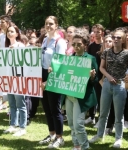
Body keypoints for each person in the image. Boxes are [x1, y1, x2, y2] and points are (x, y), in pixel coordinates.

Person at [89, 29, 128, 148]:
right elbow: (101, 68)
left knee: (118, 114)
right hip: (107, 84)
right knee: (103, 113)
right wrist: (109, 77)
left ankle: (118, 139)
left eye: (118, 38)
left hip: (120, 86)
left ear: (122, 40)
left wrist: (126, 79)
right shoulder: (106, 51)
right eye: (114, 37)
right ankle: (99, 135)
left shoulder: (127, 53)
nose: (115, 39)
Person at [60, 28, 97, 150]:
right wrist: (54, 71)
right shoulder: (69, 58)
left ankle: (85, 147)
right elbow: (63, 76)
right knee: (71, 123)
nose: (76, 46)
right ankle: (76, 146)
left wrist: (92, 77)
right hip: (69, 95)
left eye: (79, 44)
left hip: (81, 97)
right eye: (74, 44)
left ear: (85, 44)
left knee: (78, 124)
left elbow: (96, 81)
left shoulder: (90, 59)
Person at [39, 16, 67, 149]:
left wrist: (48, 81)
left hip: (54, 75)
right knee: (46, 108)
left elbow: (60, 63)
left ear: (56, 25)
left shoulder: (60, 42)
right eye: (46, 24)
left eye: (51, 24)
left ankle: (59, 137)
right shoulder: (45, 39)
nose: (48, 26)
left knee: (55, 109)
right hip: (43, 74)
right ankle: (51, 134)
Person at [3, 25, 27, 137]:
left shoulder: (20, 45)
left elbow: (24, 61)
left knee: (20, 104)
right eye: (8, 31)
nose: (9, 33)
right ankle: (13, 125)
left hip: (19, 79)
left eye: (12, 31)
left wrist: (15, 51)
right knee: (11, 103)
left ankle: (23, 127)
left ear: (17, 34)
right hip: (9, 78)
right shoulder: (6, 46)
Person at [86, 24, 104, 126]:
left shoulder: (104, 45)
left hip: (102, 76)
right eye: (95, 32)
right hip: (92, 75)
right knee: (91, 96)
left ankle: (101, 119)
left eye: (98, 32)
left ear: (102, 32)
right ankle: (91, 117)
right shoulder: (91, 46)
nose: (96, 34)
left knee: (101, 98)